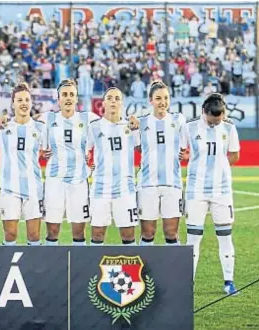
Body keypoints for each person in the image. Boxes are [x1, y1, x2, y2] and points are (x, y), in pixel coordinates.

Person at [182, 93, 240, 295]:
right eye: (212, 120)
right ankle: (188, 284)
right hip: (196, 190)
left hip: (222, 191)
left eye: (219, 119)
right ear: (203, 113)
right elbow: (182, 152)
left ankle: (229, 283)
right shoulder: (189, 127)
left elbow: (234, 154)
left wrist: (219, 167)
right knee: (193, 239)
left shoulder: (229, 127)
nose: (216, 124)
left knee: (225, 237)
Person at [42, 79, 100, 245]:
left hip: (79, 182)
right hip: (54, 181)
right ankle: (50, 270)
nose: (68, 98)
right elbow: (24, 124)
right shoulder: (48, 118)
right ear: (58, 98)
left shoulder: (88, 118)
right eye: (64, 95)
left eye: (71, 95)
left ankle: (78, 270)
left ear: (76, 99)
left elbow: (111, 127)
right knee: (52, 231)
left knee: (79, 231)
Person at [0, 83, 46, 246]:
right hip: (8, 189)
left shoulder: (40, 128)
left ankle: (35, 271)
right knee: (10, 234)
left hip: (34, 189)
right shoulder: (3, 127)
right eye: (19, 100)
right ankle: (9, 270)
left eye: (27, 99)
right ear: (13, 103)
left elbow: (48, 152)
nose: (23, 103)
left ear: (31, 102)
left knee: (34, 235)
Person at [87, 87, 140, 246]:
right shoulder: (94, 127)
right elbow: (85, 152)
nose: (113, 101)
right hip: (100, 188)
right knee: (97, 234)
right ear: (103, 103)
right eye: (109, 98)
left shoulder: (131, 127)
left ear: (122, 103)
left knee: (128, 235)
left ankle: (131, 270)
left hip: (125, 188)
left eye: (117, 98)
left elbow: (143, 149)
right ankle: (94, 270)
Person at [137, 81, 186, 245]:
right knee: (148, 233)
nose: (162, 102)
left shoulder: (179, 120)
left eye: (166, 98)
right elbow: (136, 147)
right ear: (150, 100)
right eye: (158, 98)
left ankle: (173, 270)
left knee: (171, 233)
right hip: (147, 184)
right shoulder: (141, 123)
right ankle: (142, 271)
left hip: (172, 183)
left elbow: (188, 145)